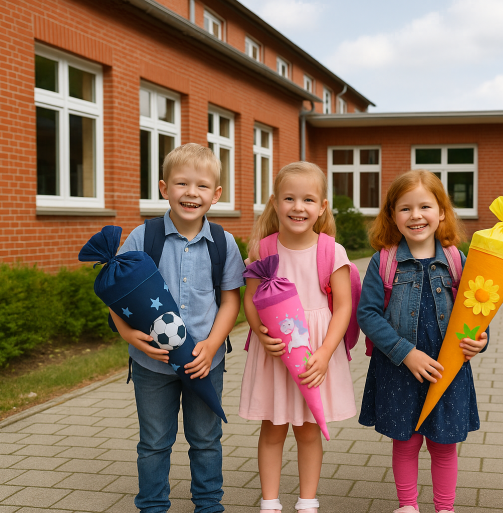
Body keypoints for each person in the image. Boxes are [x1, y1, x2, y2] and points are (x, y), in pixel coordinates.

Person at [110, 143, 245, 512]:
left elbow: (231, 300)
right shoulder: (143, 237)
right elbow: (116, 290)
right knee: (154, 441)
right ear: (163, 188)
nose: (191, 193)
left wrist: (213, 344)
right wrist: (125, 332)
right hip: (151, 365)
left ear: (216, 195)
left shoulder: (223, 243)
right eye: (182, 183)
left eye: (202, 186)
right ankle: (153, 505)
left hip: (205, 361)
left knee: (205, 438)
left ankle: (208, 505)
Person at [357, 169, 489, 513]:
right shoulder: (383, 263)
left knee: (444, 445)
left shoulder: (459, 261)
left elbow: (477, 313)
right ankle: (408, 506)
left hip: (447, 371)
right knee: (405, 441)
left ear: (441, 212)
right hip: (399, 369)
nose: (415, 216)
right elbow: (368, 315)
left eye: (425, 207)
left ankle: (445, 507)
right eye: (405, 208)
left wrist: (480, 340)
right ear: (392, 215)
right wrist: (406, 353)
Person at [239, 162, 356, 513]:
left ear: (322, 207)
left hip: (315, 352)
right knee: (272, 428)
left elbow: (344, 306)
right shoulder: (264, 249)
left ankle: (307, 500)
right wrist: (259, 332)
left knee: (308, 429)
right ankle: (269, 501)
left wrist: (325, 353)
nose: (298, 207)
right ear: (275, 203)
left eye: (308, 199)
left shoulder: (331, 251)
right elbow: (250, 296)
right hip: (275, 352)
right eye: (289, 198)